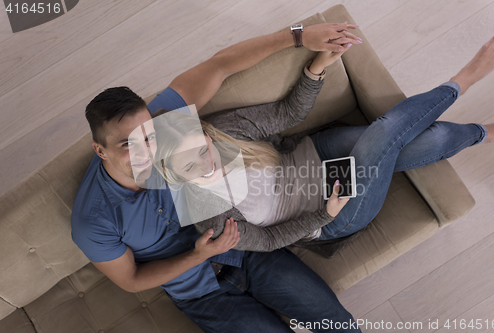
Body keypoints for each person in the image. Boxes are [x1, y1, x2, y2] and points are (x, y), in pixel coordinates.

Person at [71, 22, 365, 333]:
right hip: (202, 295)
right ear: (100, 150)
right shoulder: (93, 220)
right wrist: (199, 255)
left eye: (148, 136)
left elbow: (220, 65)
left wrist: (299, 35)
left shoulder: (165, 125)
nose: (145, 151)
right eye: (126, 145)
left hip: (247, 252)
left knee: (342, 327)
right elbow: (131, 280)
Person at [151, 32, 494, 257]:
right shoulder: (209, 216)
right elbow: (270, 241)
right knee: (381, 136)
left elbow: (287, 112)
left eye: (202, 149)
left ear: (207, 134)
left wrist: (315, 70)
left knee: (423, 138)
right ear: (174, 176)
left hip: (318, 155)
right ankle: (467, 77)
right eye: (188, 167)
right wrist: (325, 214)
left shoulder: (225, 129)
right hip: (332, 209)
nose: (205, 164)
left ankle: (485, 132)